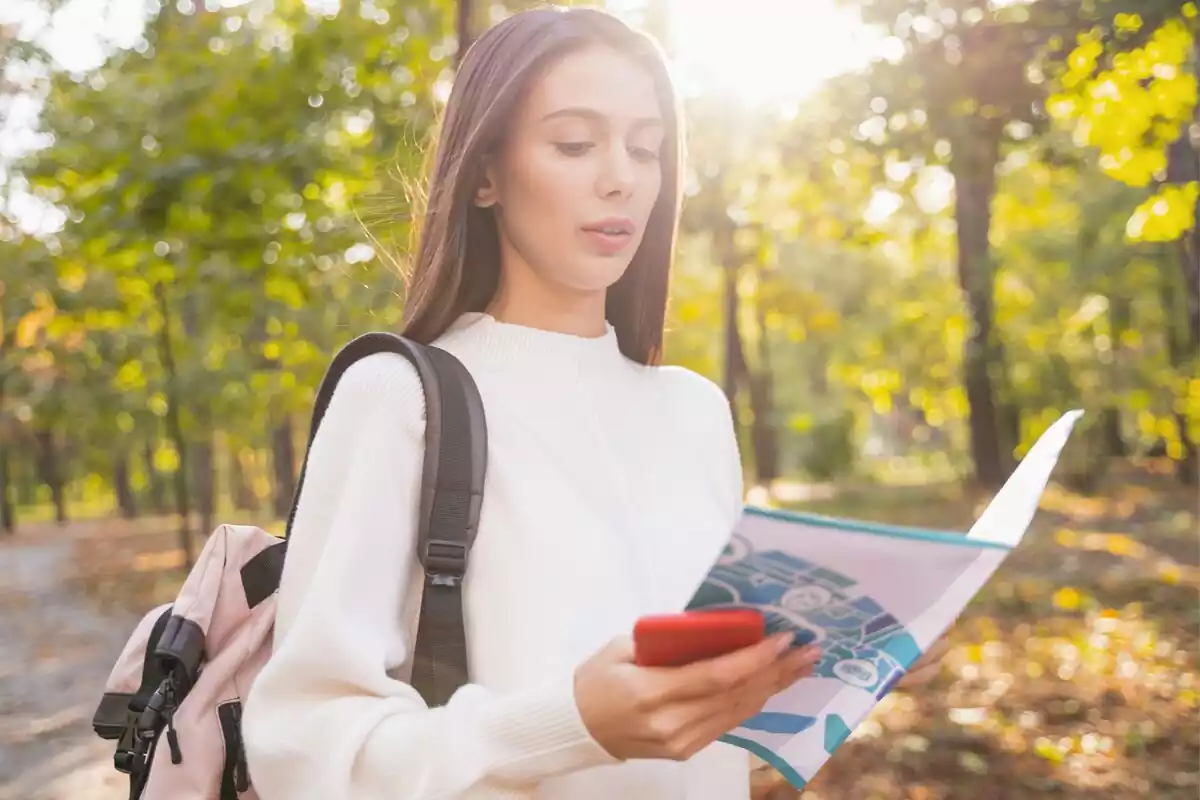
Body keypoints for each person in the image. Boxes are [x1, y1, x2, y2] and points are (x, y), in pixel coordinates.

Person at [241, 7, 942, 799]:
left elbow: (711, 754)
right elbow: (301, 751)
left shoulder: (695, 412)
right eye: (575, 143)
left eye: (646, 148)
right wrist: (571, 725)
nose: (623, 176)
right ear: (484, 174)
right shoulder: (401, 399)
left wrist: (839, 670)